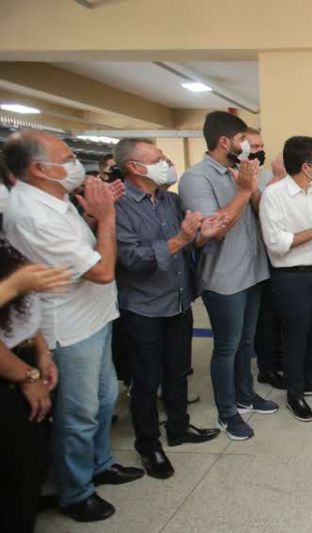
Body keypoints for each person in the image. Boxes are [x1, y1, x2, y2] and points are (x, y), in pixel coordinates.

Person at [3, 131, 144, 522]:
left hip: (94, 316)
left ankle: (100, 464)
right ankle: (76, 492)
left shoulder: (55, 199)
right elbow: (99, 270)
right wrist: (108, 219)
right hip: (68, 327)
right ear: (39, 168)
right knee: (77, 414)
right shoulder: (31, 214)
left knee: (102, 401)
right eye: (65, 157)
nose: (74, 163)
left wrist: (93, 216)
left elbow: (80, 250)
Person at [114, 138, 224, 478]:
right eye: (159, 158)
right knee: (146, 381)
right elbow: (132, 260)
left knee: (178, 370)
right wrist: (181, 237)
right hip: (143, 307)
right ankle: (149, 446)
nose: (166, 162)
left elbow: (190, 244)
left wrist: (203, 234)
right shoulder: (119, 207)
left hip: (178, 300)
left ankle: (179, 428)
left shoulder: (170, 200)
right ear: (135, 166)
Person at [178, 111, 278, 441]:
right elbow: (213, 229)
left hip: (252, 272)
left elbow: (263, 212)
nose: (248, 146)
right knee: (226, 347)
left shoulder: (241, 170)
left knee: (246, 343)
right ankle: (227, 412)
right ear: (225, 142)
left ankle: (245, 395)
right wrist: (244, 190)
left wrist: (255, 184)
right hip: (223, 278)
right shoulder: (196, 178)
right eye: (243, 141)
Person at [0, 159, 72, 533]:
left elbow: (25, 304)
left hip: (24, 351)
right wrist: (26, 375)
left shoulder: (5, 233)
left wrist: (40, 349)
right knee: (17, 466)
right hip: (9, 367)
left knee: (29, 461)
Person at [261, 136, 312, 422]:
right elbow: (276, 244)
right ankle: (294, 394)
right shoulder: (274, 195)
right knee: (296, 337)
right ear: (305, 165)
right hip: (290, 277)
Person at [245, 126, 287, 389]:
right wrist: (270, 184)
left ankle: (268, 366)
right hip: (245, 261)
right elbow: (260, 207)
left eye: (262, 146)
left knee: (269, 319)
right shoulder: (239, 176)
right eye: (254, 147)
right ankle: (258, 371)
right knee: (251, 324)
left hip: (270, 259)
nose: (260, 151)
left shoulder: (271, 175)